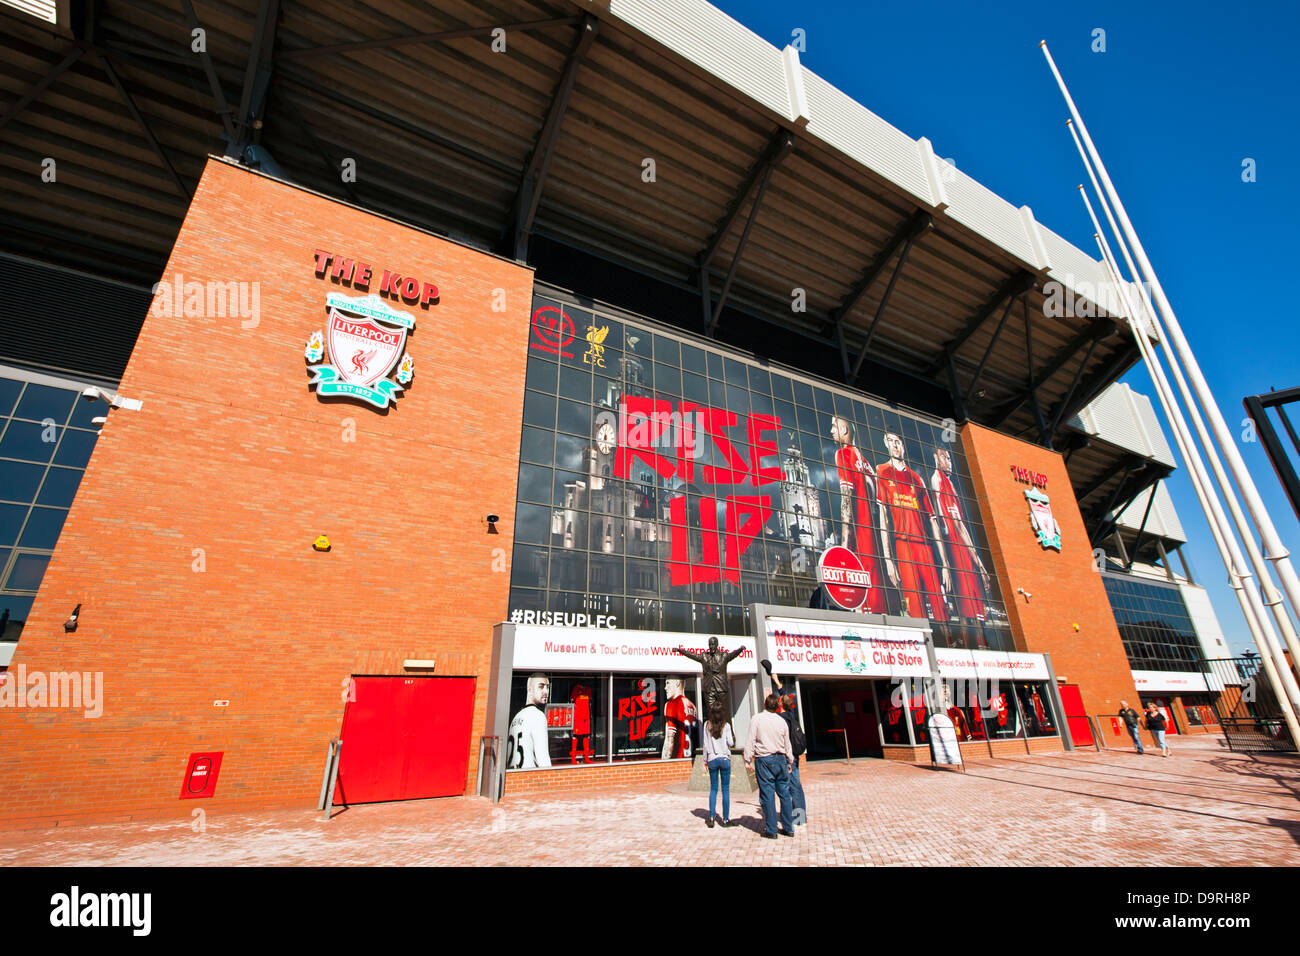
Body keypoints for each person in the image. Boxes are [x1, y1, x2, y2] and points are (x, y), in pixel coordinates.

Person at [876, 431, 951, 619]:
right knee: (916, 609)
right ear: (886, 445)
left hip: (925, 548)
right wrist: (888, 559)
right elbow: (883, 518)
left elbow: (933, 521)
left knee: (940, 607)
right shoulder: (882, 471)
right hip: (903, 545)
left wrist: (945, 564)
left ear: (903, 446)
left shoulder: (917, 479)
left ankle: (949, 641)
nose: (895, 445)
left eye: (898, 442)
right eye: (890, 442)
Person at [829, 416, 888, 612]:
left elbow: (847, 498)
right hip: (875, 542)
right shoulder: (867, 464)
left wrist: (844, 547)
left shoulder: (843, 454)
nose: (831, 431)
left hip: (861, 543)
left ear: (845, 430)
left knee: (864, 607)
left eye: (834, 427)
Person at [929, 447, 991, 621]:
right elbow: (958, 525)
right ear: (936, 458)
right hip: (959, 553)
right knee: (971, 613)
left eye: (949, 458)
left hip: (954, 551)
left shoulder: (943, 482)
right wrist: (979, 563)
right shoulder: (941, 482)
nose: (949, 462)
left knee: (966, 613)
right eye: (944, 457)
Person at [761, 660, 807, 826]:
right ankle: (800, 816)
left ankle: (793, 818)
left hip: (787, 756)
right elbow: (785, 696)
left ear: (780, 705)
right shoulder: (791, 713)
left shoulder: (780, 719)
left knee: (787, 787)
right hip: (794, 754)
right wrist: (777, 682)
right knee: (796, 786)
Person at [744, 693, 794, 839]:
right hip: (781, 759)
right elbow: (787, 744)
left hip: (764, 759)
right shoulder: (781, 722)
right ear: (778, 706)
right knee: (784, 794)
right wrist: (789, 761)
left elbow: (750, 740)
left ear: (765, 704)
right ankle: (788, 827)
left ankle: (771, 830)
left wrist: (747, 760)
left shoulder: (757, 719)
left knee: (767, 794)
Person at [701, 702, 735, 828]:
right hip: (724, 758)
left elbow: (705, 744)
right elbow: (731, 743)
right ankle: (725, 819)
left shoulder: (706, 725)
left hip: (712, 759)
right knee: (725, 789)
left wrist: (705, 760)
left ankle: (711, 817)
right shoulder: (726, 726)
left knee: (713, 789)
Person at [506, 674, 552, 769]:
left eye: (547, 687)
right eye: (541, 686)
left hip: (514, 775)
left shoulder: (516, 717)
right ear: (529, 689)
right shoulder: (538, 716)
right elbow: (543, 760)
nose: (546, 691)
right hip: (529, 777)